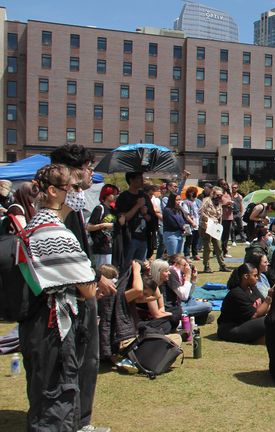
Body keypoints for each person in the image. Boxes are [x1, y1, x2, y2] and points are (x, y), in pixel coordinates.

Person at [19, 164, 100, 431]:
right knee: (57, 398)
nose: (78, 194)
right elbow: (87, 288)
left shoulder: (34, 224)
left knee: (43, 392)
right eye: (73, 188)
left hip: (37, 322)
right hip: (55, 327)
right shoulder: (56, 232)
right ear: (53, 191)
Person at [50, 145, 114, 431]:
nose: (91, 174)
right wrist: (90, 280)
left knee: (86, 360)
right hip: (69, 298)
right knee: (76, 361)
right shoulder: (56, 210)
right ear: (74, 170)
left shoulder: (73, 206)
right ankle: (76, 422)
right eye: (89, 168)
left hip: (83, 290)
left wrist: (95, 274)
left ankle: (80, 420)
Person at [217, 263, 270, 344]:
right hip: (230, 329)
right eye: (255, 275)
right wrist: (269, 298)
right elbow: (254, 315)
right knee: (269, 320)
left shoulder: (252, 288)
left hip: (246, 323)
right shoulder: (237, 293)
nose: (257, 278)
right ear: (246, 276)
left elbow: (264, 306)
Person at [115, 172, 152, 270]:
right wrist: (137, 206)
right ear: (131, 180)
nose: (142, 181)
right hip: (130, 237)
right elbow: (124, 218)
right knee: (126, 266)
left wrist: (144, 213)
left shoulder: (144, 196)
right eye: (139, 178)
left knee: (140, 268)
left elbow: (150, 218)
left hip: (143, 237)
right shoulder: (124, 196)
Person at [87, 184, 119, 268]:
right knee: (102, 271)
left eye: (116, 194)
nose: (115, 196)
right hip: (100, 245)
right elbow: (89, 227)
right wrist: (103, 225)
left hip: (111, 245)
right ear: (106, 194)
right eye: (113, 194)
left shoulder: (113, 210)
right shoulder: (99, 208)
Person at [200, 186, 229, 273]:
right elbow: (201, 212)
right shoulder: (206, 201)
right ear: (213, 194)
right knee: (208, 247)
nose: (220, 197)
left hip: (215, 227)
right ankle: (206, 266)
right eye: (218, 195)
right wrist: (209, 220)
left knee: (218, 247)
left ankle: (222, 265)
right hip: (206, 226)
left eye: (221, 195)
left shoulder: (219, 204)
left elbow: (219, 216)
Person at [181, 187, 201, 261]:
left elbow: (201, 210)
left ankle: (195, 254)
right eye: (190, 192)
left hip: (198, 222)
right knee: (189, 240)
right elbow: (186, 214)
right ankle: (187, 255)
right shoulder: (185, 202)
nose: (192, 194)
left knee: (196, 239)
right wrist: (192, 222)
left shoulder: (198, 201)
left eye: (193, 192)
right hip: (189, 223)